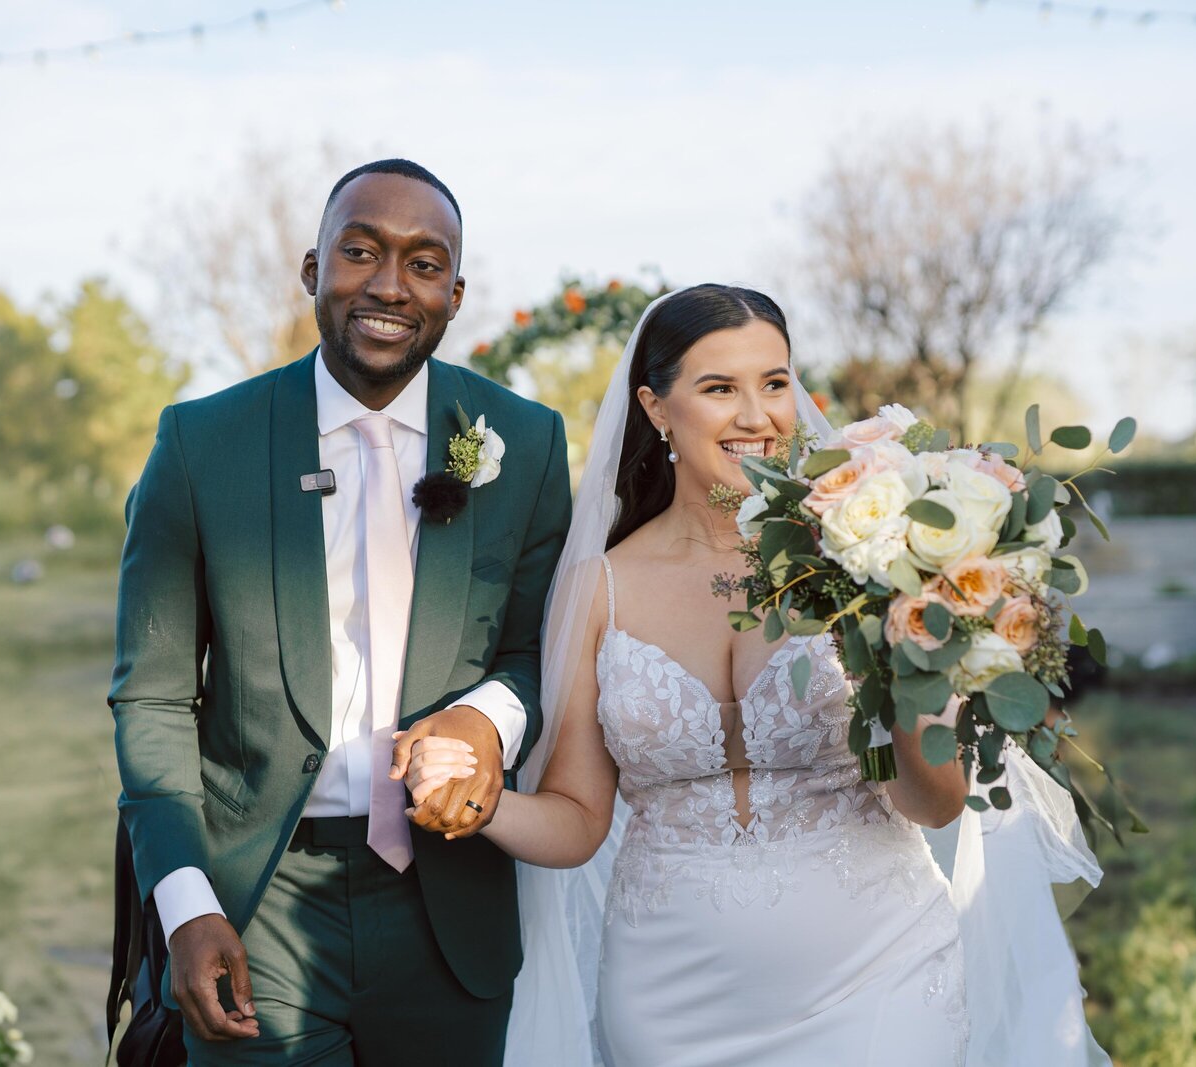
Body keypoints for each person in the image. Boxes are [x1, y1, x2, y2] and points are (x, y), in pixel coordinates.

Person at [400, 285, 971, 1065]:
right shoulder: (600, 586)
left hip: (881, 977)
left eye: (774, 382)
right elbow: (576, 818)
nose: (758, 415)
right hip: (670, 1003)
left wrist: (916, 668)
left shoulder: (862, 557)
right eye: (719, 388)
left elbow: (934, 802)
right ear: (656, 407)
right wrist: (486, 801)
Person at [109, 158, 572, 1066]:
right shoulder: (199, 444)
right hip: (258, 897)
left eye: (424, 263)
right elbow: (153, 698)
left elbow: (535, 651)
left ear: (457, 291)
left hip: (450, 905)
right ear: (314, 268)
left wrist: (486, 717)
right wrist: (186, 902)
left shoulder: (527, 440)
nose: (391, 284)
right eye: (361, 251)